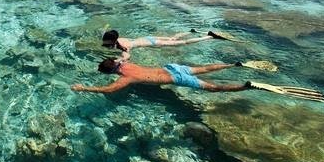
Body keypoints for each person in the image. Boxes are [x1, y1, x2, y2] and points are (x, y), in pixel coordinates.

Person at [71, 58, 251, 93]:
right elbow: (123, 55)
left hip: (176, 78)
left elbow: (109, 90)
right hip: (172, 67)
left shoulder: (126, 79)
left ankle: (246, 86)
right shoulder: (124, 63)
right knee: (204, 68)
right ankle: (232, 64)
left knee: (214, 88)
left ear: (111, 72)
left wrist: (84, 88)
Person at [102, 29, 219, 62]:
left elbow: (126, 55)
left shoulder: (123, 46)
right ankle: (190, 31)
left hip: (153, 42)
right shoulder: (118, 39)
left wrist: (119, 60)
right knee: (173, 37)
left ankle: (210, 37)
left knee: (183, 43)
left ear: (112, 41)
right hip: (148, 38)